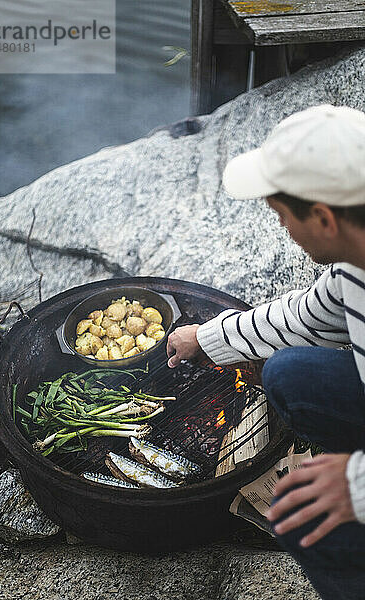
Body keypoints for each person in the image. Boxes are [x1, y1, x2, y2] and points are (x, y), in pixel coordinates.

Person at [166, 104, 365, 600]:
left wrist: (354, 483)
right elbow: (301, 318)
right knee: (291, 372)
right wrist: (206, 339)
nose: (284, 232)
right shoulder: (355, 263)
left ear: (321, 216)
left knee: (304, 517)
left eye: (282, 218)